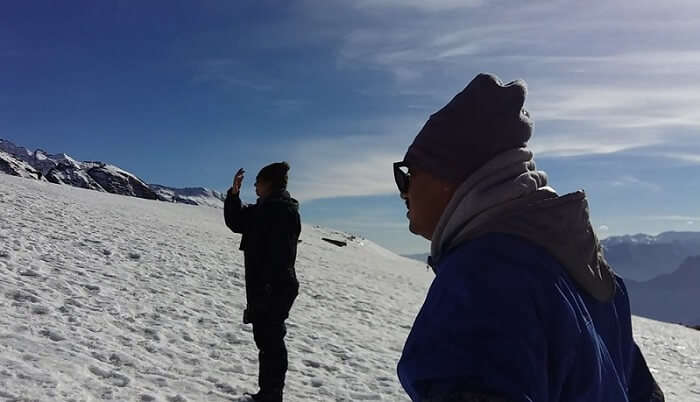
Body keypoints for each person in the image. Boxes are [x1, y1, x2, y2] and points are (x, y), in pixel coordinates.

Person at [393, 73, 664, 402]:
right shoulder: (583, 264)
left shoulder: (482, 280)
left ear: (447, 177)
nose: (403, 191)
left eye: (408, 173)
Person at [224, 162, 301, 402]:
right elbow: (237, 222)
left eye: (258, 181)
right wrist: (234, 195)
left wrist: (269, 289)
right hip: (267, 287)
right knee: (267, 341)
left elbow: (279, 256)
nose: (255, 186)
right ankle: (268, 394)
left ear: (268, 184)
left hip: (274, 287)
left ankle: (271, 396)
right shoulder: (267, 209)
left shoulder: (280, 211)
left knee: (271, 342)